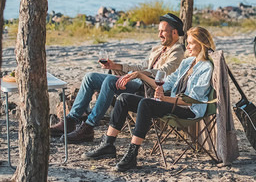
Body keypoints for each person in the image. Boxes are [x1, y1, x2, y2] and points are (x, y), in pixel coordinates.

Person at [83, 26, 215, 172]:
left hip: (188, 110)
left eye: (191, 43)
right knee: (123, 98)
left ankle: (132, 155)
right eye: (187, 43)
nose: (188, 46)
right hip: (173, 102)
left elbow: (192, 100)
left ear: (201, 44)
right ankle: (108, 145)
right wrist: (140, 75)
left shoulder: (206, 67)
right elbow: (166, 83)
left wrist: (164, 99)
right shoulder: (187, 62)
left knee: (146, 104)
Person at [50, 13, 185, 144]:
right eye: (159, 31)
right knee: (89, 77)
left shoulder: (177, 52)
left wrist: (138, 74)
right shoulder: (158, 49)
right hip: (135, 81)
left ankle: (89, 127)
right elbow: (140, 65)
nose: (159, 35)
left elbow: (162, 72)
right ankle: (70, 121)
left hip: (145, 89)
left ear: (174, 33)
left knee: (110, 81)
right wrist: (116, 65)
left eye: (163, 31)